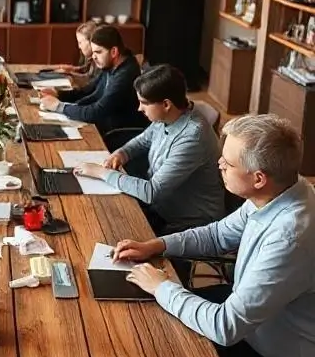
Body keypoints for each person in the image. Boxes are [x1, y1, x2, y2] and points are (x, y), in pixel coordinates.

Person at [113, 114, 315, 357]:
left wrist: (163, 287)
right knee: (142, 342)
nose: (218, 163)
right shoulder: (284, 188)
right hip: (253, 323)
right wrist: (157, 244)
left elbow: (225, 326)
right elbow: (219, 235)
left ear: (259, 177)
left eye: (228, 162)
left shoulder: (291, 236)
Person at [74, 64, 224, 232]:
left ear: (166, 104)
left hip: (188, 224)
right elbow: (143, 140)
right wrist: (121, 154)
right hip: (162, 208)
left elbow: (151, 192)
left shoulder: (192, 137)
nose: (139, 108)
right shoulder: (168, 117)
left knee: (106, 227)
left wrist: (100, 172)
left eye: (144, 103)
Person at [40, 25, 146, 138]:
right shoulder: (111, 65)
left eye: (98, 52)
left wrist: (59, 106)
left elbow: (96, 112)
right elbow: (87, 91)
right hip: (100, 126)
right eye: (93, 52)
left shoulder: (125, 75)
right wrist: (58, 94)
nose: (94, 57)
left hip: (114, 135)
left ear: (114, 51)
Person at [53, 20, 99, 84]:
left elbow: (90, 80)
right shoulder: (89, 57)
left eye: (80, 42)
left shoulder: (99, 60)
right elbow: (86, 68)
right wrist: (72, 69)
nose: (79, 47)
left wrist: (68, 74)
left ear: (91, 42)